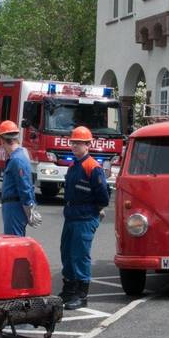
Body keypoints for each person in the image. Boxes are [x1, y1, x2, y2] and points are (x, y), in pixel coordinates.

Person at [59, 126, 110, 310]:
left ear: (88, 145)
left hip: (84, 218)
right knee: (67, 253)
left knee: (80, 256)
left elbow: (103, 197)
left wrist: (95, 211)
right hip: (72, 216)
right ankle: (69, 290)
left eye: (79, 143)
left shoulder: (92, 167)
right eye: (73, 143)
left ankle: (81, 295)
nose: (74, 146)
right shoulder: (74, 166)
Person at [0, 120, 41, 236]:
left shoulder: (17, 159)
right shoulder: (19, 157)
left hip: (14, 208)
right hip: (13, 206)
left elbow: (25, 187)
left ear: (2, 140)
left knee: (14, 241)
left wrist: (29, 210)